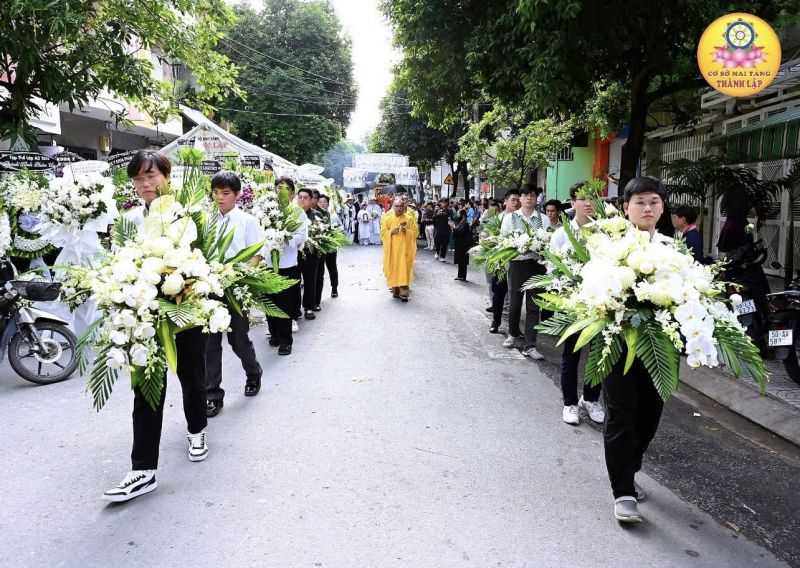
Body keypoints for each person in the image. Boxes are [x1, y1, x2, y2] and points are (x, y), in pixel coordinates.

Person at [103, 150, 208, 503]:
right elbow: (119, 261)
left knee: (192, 377)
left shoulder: (188, 214)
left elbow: (203, 258)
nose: (144, 184)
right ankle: (143, 470)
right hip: (145, 315)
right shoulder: (130, 219)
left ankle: (197, 429)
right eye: (138, 178)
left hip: (184, 311)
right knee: (147, 387)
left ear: (167, 176)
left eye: (151, 176)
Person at [604, 176, 672, 523]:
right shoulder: (609, 247)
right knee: (621, 413)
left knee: (650, 414)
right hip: (617, 343)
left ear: (662, 207)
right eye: (640, 202)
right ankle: (623, 491)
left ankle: (630, 468)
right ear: (626, 207)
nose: (648, 208)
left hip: (659, 347)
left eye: (654, 202)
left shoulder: (674, 250)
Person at [205, 172, 264, 418]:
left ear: (237, 194)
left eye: (226, 193)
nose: (219, 197)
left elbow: (256, 255)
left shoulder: (248, 221)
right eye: (215, 192)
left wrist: (235, 276)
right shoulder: (206, 220)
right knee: (209, 343)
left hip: (236, 289)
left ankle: (253, 372)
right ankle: (212, 394)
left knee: (238, 340)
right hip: (209, 289)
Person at [550, 182, 605, 426]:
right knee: (571, 355)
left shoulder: (604, 232)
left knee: (599, 354)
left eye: (592, 197)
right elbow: (552, 270)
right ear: (573, 203)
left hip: (600, 304)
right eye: (583, 198)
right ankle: (570, 403)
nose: (589, 202)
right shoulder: (561, 234)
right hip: (573, 304)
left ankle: (590, 399)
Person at [501, 184, 547, 360]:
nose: (529, 198)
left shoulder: (543, 219)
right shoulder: (509, 218)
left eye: (533, 195)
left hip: (537, 264)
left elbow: (548, 241)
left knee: (534, 306)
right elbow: (504, 240)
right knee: (514, 303)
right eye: (526, 195)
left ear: (536, 198)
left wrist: (539, 247)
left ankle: (531, 345)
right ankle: (513, 334)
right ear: (520, 198)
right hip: (517, 264)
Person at [266, 177, 307, 356]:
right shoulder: (267, 210)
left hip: (287, 263)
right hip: (268, 263)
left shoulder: (297, 212)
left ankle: (285, 341)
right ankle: (274, 333)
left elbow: (302, 236)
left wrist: (284, 237)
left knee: (285, 303)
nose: (281, 192)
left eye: (286, 189)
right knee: (270, 301)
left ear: (292, 193)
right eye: (278, 188)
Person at [488, 191, 520, 334]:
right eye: (513, 200)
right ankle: (496, 321)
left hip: (518, 263)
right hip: (501, 263)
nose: (516, 203)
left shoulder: (522, 218)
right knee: (498, 294)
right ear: (505, 201)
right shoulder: (498, 218)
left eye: (518, 200)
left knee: (516, 298)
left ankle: (515, 328)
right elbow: (486, 235)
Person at [381, 197, 418, 301]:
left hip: (405, 250)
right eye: (396, 206)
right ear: (393, 207)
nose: (399, 208)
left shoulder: (409, 219)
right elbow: (382, 234)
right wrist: (391, 232)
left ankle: (404, 293)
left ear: (404, 206)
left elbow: (415, 233)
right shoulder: (387, 218)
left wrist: (407, 231)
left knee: (403, 269)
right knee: (394, 269)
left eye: (401, 206)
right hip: (392, 250)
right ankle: (396, 291)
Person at [297, 187, 320, 320]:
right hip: (295, 254)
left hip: (311, 253)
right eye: (300, 197)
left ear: (311, 200)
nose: (302, 200)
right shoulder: (292, 214)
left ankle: (309, 307)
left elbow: (322, 234)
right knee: (295, 282)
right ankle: (295, 309)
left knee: (310, 281)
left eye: (305, 198)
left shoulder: (317, 215)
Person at [315, 194, 340, 302]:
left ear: (328, 204)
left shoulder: (333, 216)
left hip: (330, 246)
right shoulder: (315, 214)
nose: (322, 204)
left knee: (332, 267)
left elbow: (339, 228)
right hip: (319, 246)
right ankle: (317, 295)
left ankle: (334, 287)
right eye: (320, 202)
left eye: (324, 202)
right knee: (319, 270)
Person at [452, 209, 472, 281]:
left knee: (462, 260)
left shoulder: (465, 223)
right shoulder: (461, 222)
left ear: (462, 215)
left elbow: (461, 232)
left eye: (459, 214)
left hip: (463, 244)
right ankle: (460, 275)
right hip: (460, 244)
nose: (458, 215)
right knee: (460, 260)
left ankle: (462, 276)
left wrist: (453, 227)